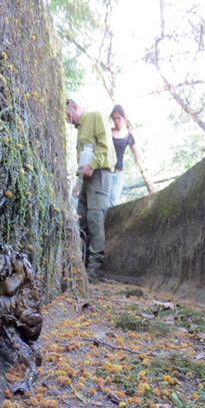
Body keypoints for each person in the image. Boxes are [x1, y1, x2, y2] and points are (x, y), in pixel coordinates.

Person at [65, 99, 116, 279]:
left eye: (68, 114)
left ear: (75, 107)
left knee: (95, 217)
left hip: (100, 173)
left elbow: (105, 146)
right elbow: (82, 162)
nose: (67, 119)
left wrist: (92, 165)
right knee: (82, 218)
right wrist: (77, 185)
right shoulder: (78, 130)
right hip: (85, 178)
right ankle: (82, 264)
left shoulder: (95, 117)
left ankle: (95, 266)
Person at [109, 105, 153, 206]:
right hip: (106, 171)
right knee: (103, 201)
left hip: (118, 172)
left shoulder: (128, 136)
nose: (116, 121)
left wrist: (143, 172)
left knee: (114, 202)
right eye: (114, 118)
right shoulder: (108, 133)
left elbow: (137, 155)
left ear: (124, 118)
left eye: (118, 118)